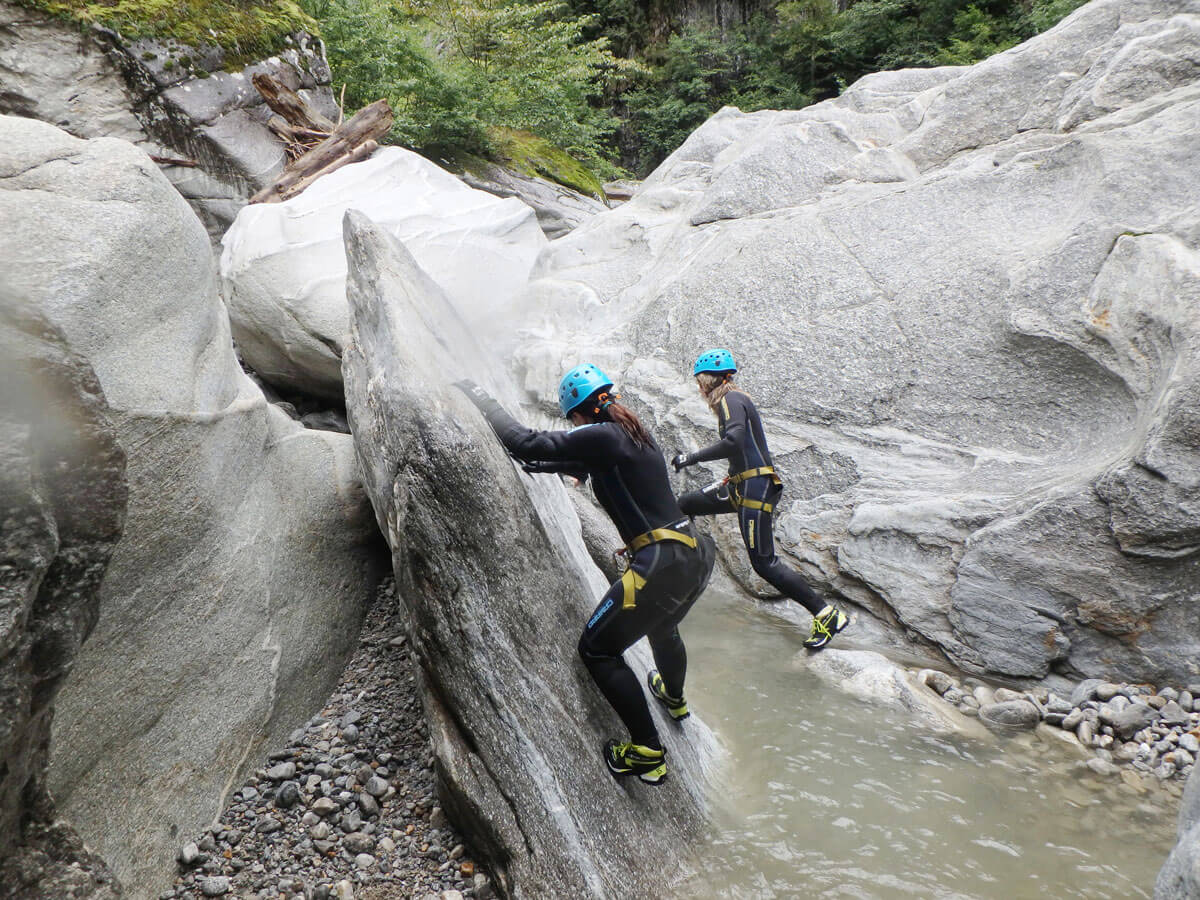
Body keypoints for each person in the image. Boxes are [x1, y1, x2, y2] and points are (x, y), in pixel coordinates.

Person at [456, 364, 714, 785]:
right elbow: (577, 464)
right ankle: (673, 695)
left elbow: (526, 442)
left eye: (572, 418)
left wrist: (477, 391)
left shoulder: (604, 434)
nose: (572, 425)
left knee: (597, 650)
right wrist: (545, 465)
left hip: (662, 561)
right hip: (695, 554)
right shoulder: (631, 432)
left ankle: (647, 752)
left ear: (580, 411)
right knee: (663, 626)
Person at [671, 349, 849, 650]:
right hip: (742, 485)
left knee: (764, 564)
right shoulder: (736, 400)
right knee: (686, 504)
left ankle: (826, 614)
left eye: (699, 384)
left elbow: (735, 441)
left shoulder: (730, 399)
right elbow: (743, 447)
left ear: (706, 382)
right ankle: (674, 575)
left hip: (755, 488)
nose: (699, 390)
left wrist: (690, 458)